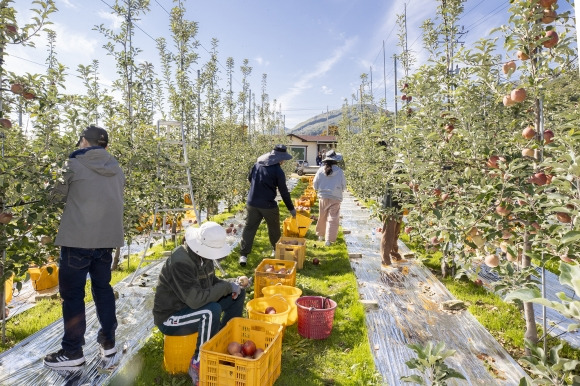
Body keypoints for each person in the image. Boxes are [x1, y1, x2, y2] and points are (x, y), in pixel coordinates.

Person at [44, 125, 125, 371]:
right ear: (105, 146)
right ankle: (109, 342)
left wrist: (50, 178)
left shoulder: (73, 164)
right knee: (103, 290)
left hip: (77, 241)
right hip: (105, 241)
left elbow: (53, 196)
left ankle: (72, 352)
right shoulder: (117, 168)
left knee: (73, 297)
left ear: (83, 141)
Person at [153, 221, 245, 384]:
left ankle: (223, 342)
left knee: (237, 293)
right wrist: (225, 287)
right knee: (211, 311)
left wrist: (233, 284)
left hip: (190, 306)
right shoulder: (180, 262)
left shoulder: (203, 256)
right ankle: (198, 362)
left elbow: (211, 282)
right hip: (172, 316)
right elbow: (196, 301)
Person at [239, 144, 297, 266]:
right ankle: (276, 250)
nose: (284, 162)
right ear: (279, 159)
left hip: (252, 202)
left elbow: (250, 179)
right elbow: (284, 191)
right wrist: (291, 208)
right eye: (284, 159)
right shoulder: (277, 171)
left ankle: (243, 255)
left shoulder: (257, 165)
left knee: (249, 228)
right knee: (274, 228)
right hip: (268, 205)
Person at [313, 150, 347, 246]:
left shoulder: (320, 170)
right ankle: (328, 240)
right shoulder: (339, 172)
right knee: (332, 218)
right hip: (335, 197)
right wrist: (340, 189)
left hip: (323, 197)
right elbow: (343, 185)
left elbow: (315, 184)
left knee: (322, 216)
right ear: (336, 161)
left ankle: (320, 235)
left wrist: (319, 189)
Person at [381, 163, 404, 265]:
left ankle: (394, 254)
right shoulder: (393, 182)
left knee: (395, 234)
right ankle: (385, 260)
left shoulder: (400, 182)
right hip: (391, 211)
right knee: (388, 236)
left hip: (398, 210)